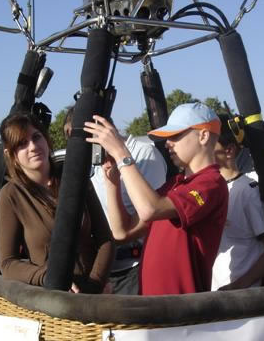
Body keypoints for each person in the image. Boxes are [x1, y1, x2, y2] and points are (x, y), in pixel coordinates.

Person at [83, 102, 228, 295]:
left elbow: (149, 209)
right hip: (154, 306)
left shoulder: (212, 183)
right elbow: (122, 232)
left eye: (175, 136)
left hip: (180, 309)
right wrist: (113, 182)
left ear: (203, 135)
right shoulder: (175, 184)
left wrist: (121, 154)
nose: (168, 143)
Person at [0, 112, 114, 293]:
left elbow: (105, 239)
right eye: (22, 143)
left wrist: (95, 283)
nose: (33, 146)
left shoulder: (75, 178)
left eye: (36, 137)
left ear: (46, 139)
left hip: (94, 297)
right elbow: (8, 263)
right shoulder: (11, 195)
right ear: (10, 154)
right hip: (53, 299)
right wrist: (50, 278)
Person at [63, 107, 167, 294]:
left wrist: (117, 168)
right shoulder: (86, 162)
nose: (80, 146)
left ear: (103, 129)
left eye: (86, 137)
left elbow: (147, 219)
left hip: (136, 267)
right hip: (100, 271)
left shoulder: (143, 154)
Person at [211, 114, 264, 290]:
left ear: (229, 150)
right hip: (213, 296)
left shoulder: (247, 192)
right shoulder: (208, 190)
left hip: (242, 301)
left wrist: (237, 286)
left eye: (210, 144)